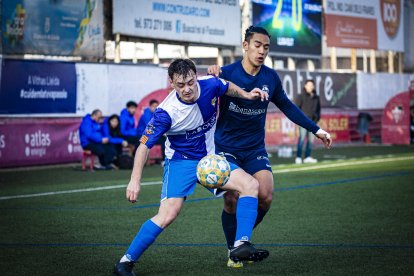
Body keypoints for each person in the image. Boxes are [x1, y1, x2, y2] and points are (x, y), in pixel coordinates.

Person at [113, 59, 270, 276]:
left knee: (250, 185)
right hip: (180, 162)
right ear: (171, 83)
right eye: (180, 85)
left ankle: (240, 245)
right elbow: (143, 147)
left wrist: (245, 94)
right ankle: (125, 262)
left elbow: (226, 86)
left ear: (196, 76)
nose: (186, 89)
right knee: (168, 214)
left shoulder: (210, 84)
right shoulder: (165, 113)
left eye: (190, 82)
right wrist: (134, 180)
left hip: (210, 159)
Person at [207, 26, 332, 268]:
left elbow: (288, 107)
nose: (262, 51)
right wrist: (213, 73)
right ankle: (236, 248)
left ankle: (237, 246)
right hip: (226, 148)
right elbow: (200, 94)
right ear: (245, 45)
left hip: (254, 149)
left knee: (265, 196)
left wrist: (317, 130)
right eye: (257, 45)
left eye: (266, 47)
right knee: (232, 199)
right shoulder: (226, 73)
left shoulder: (270, 78)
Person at [295, 79, 321, 164]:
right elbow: (296, 109)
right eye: (308, 85)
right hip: (303, 123)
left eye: (312, 85)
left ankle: (307, 157)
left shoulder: (316, 97)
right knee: (301, 139)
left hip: (313, 123)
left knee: (310, 141)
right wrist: (299, 121)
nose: (310, 87)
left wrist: (316, 119)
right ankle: (298, 157)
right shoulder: (301, 96)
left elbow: (318, 110)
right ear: (305, 86)